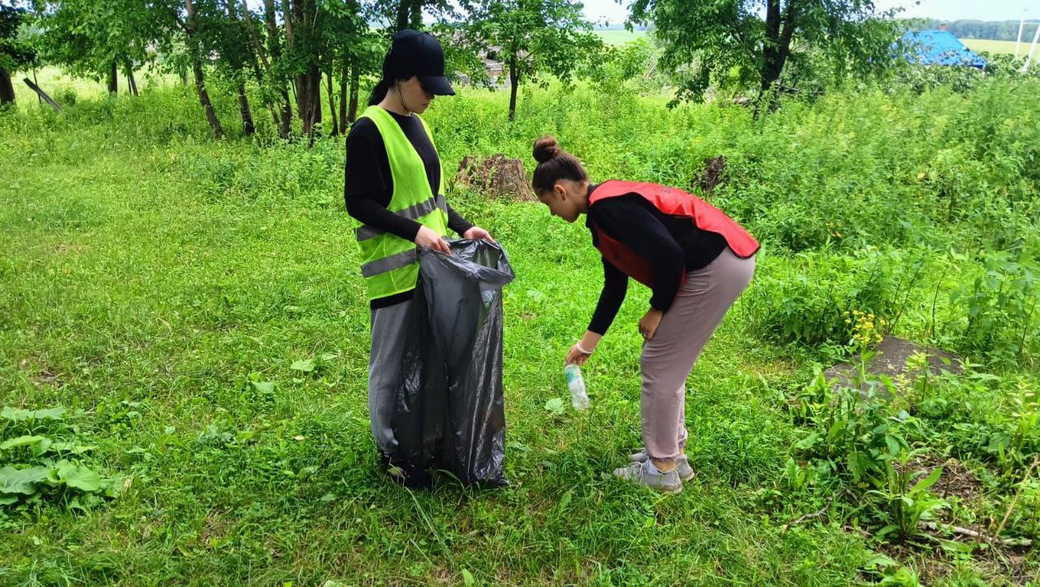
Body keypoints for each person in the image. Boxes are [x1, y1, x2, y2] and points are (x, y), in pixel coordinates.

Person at [530, 136, 758, 494]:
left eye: (547, 204)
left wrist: (657, 308)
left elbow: (670, 256)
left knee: (659, 363)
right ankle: (672, 457)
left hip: (717, 264)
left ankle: (662, 468)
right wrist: (587, 344)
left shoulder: (609, 208)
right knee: (669, 363)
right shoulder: (603, 212)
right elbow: (614, 286)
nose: (552, 214)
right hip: (723, 260)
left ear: (560, 191)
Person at [345, 29, 494, 486]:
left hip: (432, 267)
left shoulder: (420, 124)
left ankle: (421, 438)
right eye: (426, 87)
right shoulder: (369, 129)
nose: (432, 96)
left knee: (427, 357)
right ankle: (391, 451)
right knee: (390, 364)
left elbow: (432, 198)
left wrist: (463, 224)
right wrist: (416, 232)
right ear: (400, 77)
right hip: (393, 271)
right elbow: (360, 203)